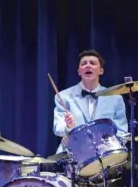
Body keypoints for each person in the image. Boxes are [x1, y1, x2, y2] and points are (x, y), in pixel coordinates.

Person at [53, 49, 130, 186]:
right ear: (79, 71)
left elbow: (122, 131)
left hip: (106, 156)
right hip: (73, 157)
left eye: (93, 63)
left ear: (101, 71)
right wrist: (67, 126)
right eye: (84, 64)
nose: (88, 65)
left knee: (133, 170)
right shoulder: (63, 97)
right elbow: (57, 128)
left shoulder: (116, 98)